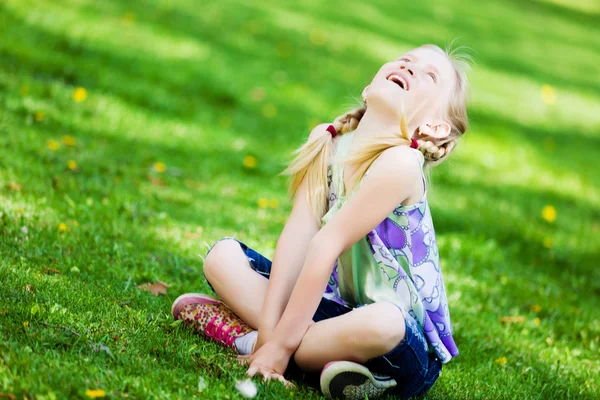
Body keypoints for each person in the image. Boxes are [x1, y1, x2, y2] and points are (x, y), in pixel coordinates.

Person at [171, 43, 470, 399]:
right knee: (222, 257)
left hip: (400, 344)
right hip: (332, 311)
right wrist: (272, 341)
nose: (409, 67)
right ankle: (325, 364)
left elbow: (325, 245)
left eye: (429, 75)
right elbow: (300, 236)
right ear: (368, 89)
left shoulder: (401, 164)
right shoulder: (327, 141)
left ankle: (248, 339)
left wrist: (277, 350)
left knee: (383, 322)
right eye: (406, 60)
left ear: (434, 127)